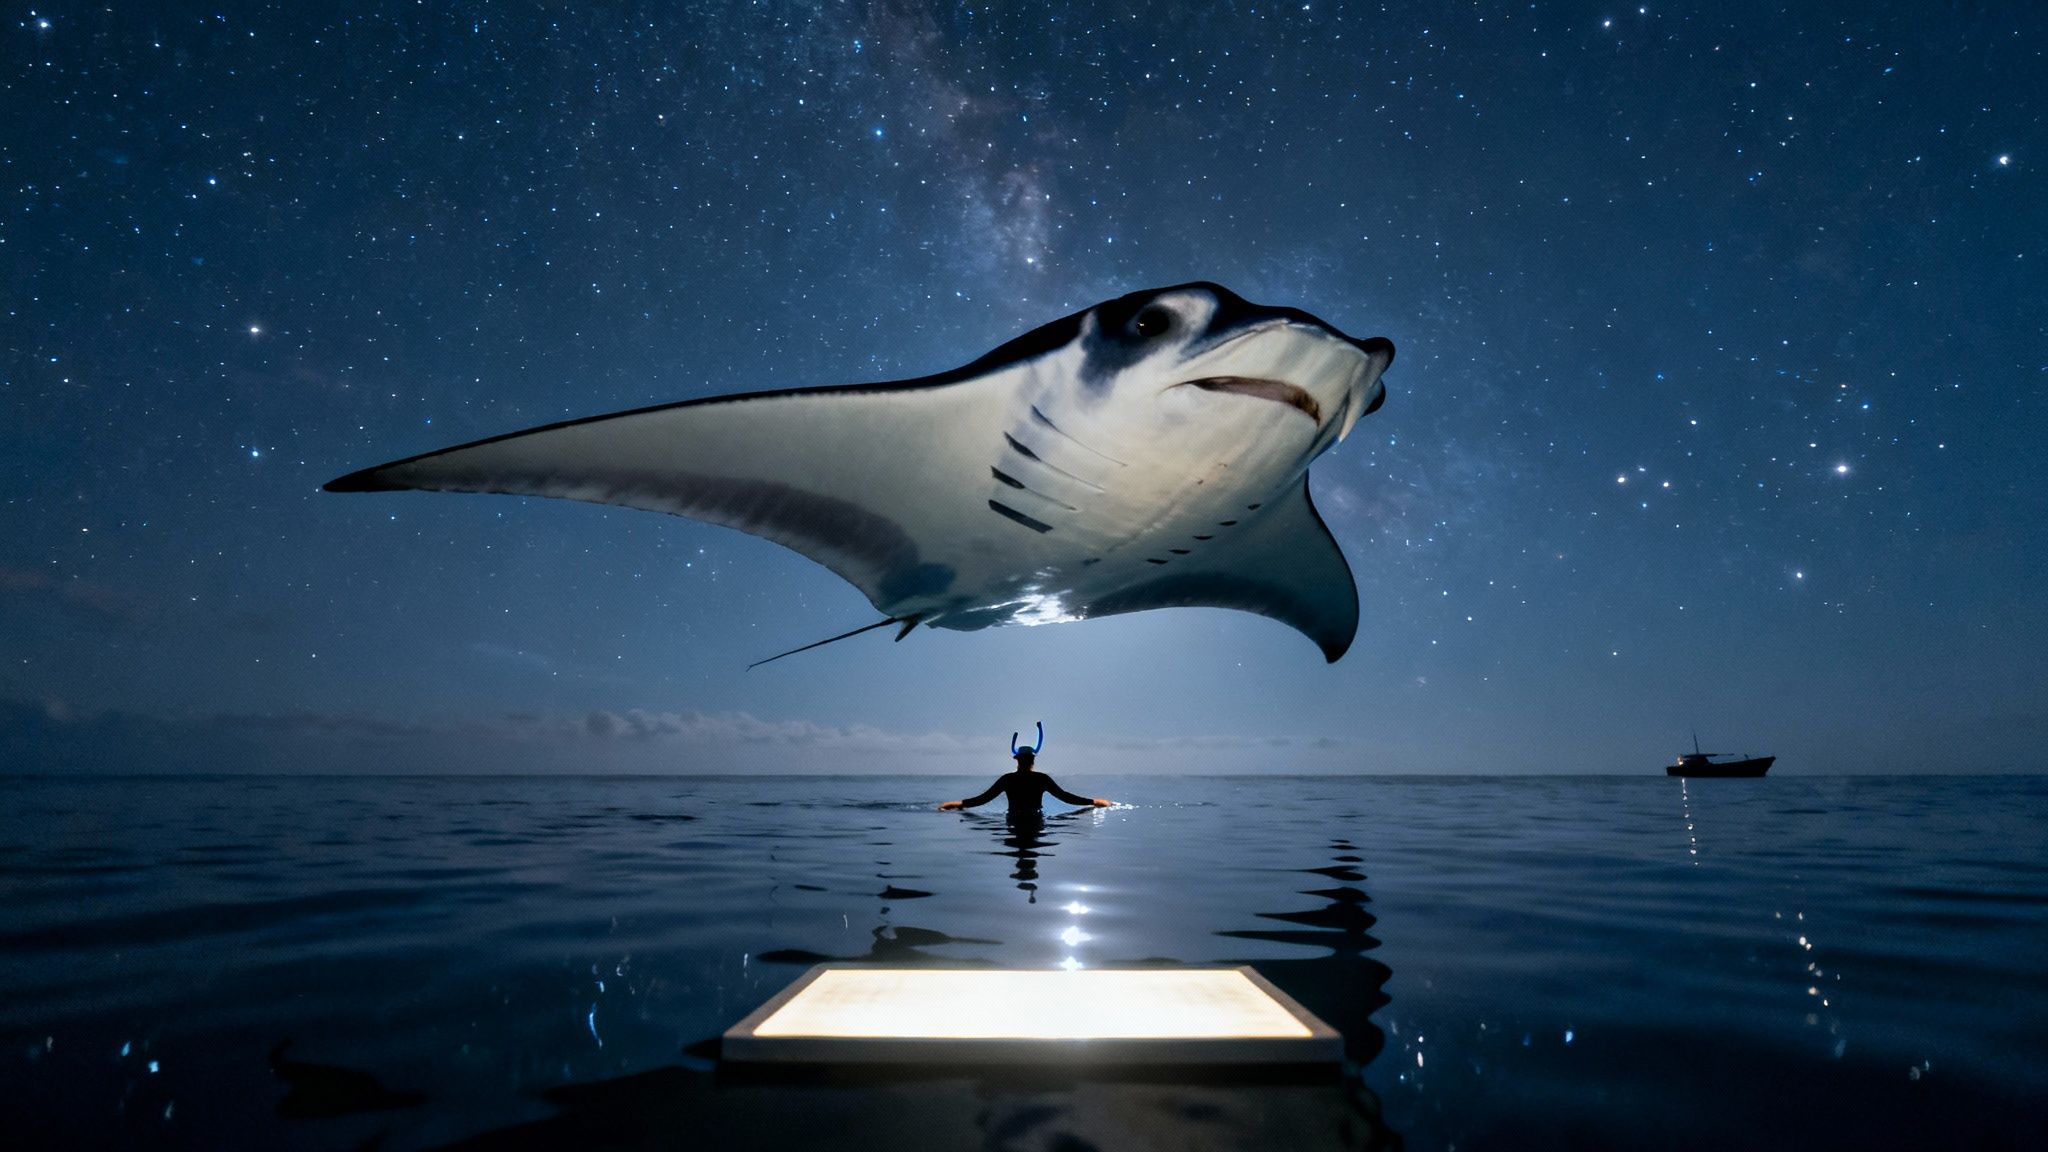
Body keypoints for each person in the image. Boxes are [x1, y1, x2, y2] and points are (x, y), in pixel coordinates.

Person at [939, 745, 1112, 813]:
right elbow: (1066, 797)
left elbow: (982, 799)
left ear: (1017, 760)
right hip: (1035, 820)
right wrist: (1094, 802)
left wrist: (957, 804)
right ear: (1033, 761)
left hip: (1013, 821)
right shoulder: (1041, 779)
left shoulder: (1008, 779)